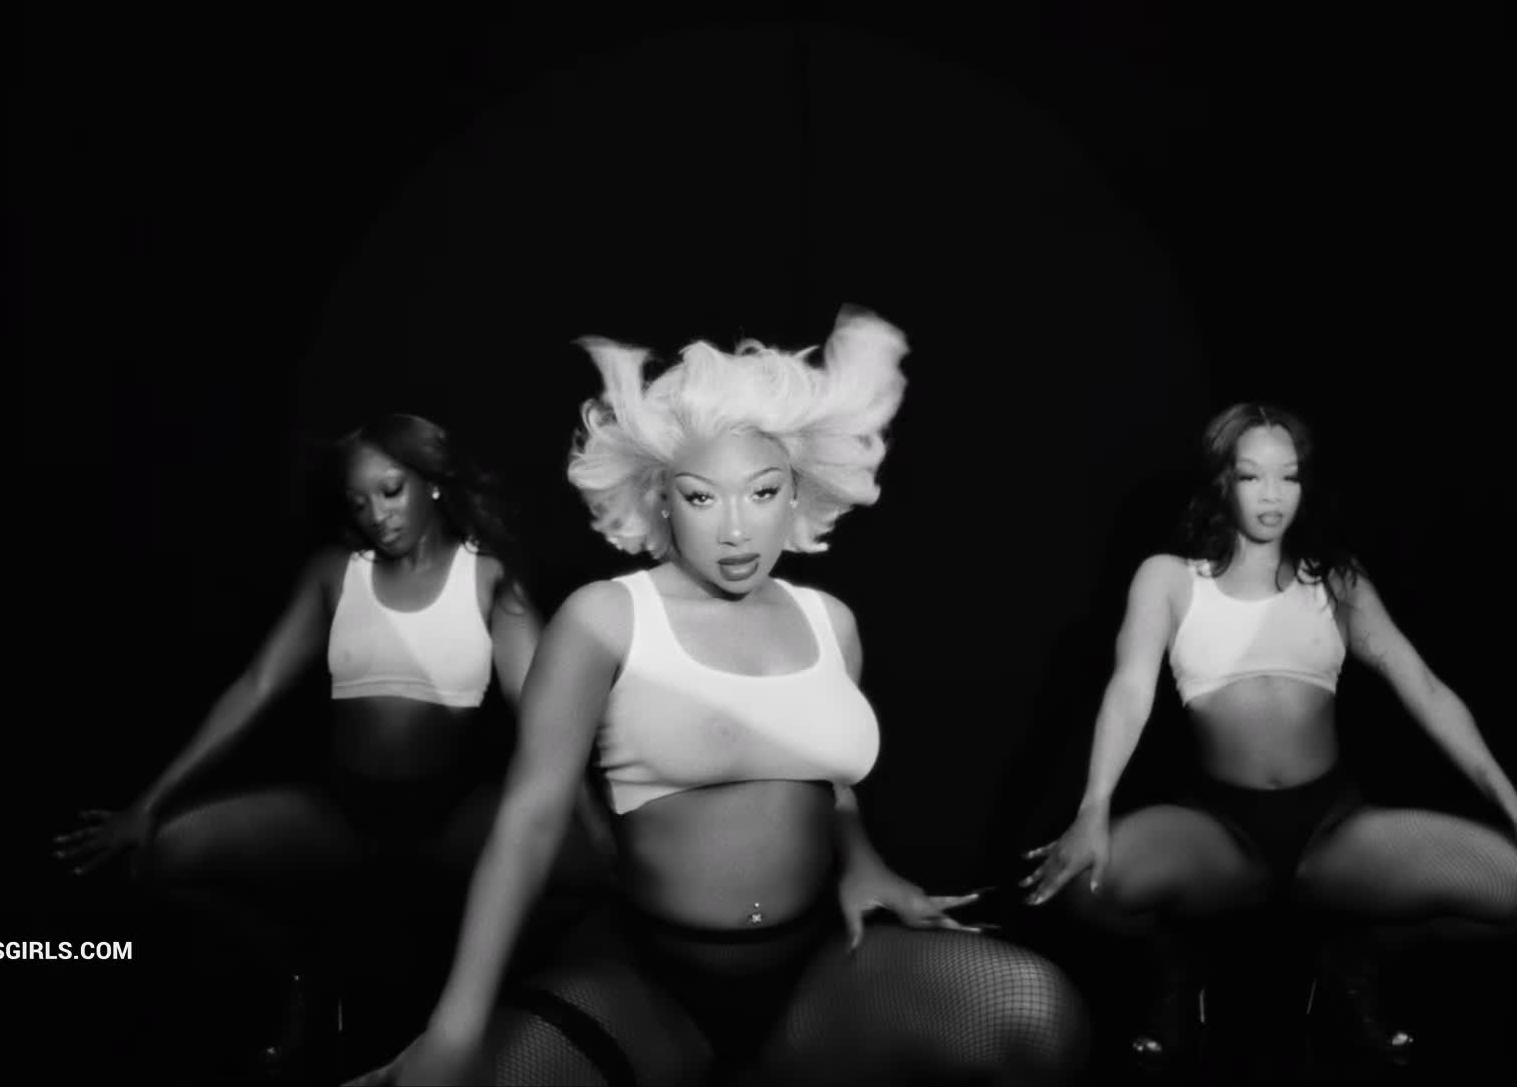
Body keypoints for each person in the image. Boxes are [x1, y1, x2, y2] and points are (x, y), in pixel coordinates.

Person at [352, 310, 1090, 1086]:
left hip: (812, 969)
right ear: (661, 497)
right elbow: (530, 819)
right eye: (702, 497)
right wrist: (455, 1027)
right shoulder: (605, 618)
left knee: (1041, 1015)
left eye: (762, 491)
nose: (737, 530)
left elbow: (827, 777)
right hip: (650, 982)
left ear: (796, 490)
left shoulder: (830, 621)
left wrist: (863, 862)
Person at [1020, 402, 1517, 1070]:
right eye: (1252, 476)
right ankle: (1181, 970)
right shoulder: (1170, 579)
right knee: (1082, 885)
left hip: (1333, 830)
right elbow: (1129, 692)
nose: (1273, 495)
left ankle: (1355, 960)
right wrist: (1093, 809)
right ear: (1221, 480)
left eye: (1289, 476)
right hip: (1219, 831)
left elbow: (1426, 690)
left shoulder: (1335, 578)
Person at [53, 412, 610, 1073]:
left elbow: (550, 721)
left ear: (431, 483)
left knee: (603, 880)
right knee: (160, 857)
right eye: (358, 501)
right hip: (343, 813)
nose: (376, 515)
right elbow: (254, 688)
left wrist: (599, 829)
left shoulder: (488, 578)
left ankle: (488, 1009)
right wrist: (147, 804)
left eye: (391, 490)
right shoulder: (336, 573)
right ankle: (300, 975)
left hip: (451, 817)